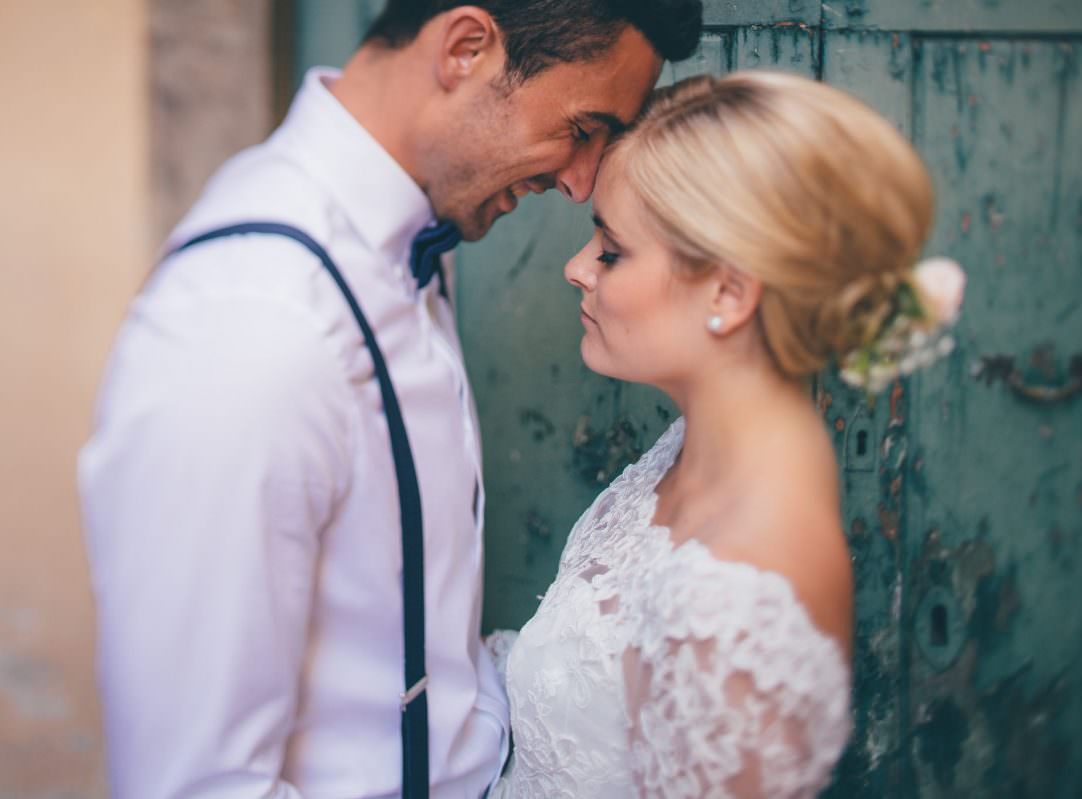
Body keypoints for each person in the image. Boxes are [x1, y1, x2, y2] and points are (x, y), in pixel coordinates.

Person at [77, 2, 701, 797]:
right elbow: (197, 782)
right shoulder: (255, 323)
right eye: (581, 128)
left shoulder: (399, 239)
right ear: (466, 48)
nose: (582, 181)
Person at [488, 71, 963, 797]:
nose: (576, 268)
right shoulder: (690, 445)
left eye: (611, 251)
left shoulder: (740, 587)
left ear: (729, 293)